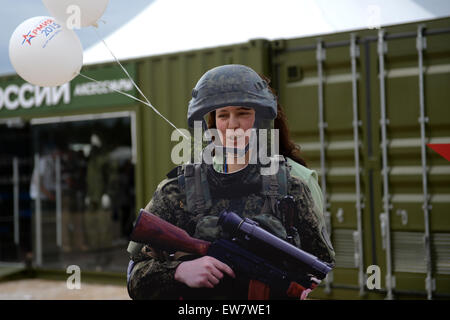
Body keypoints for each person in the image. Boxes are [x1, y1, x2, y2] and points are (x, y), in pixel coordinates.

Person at [127, 64, 335, 300]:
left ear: (260, 119)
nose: (232, 124)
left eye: (243, 112)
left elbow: (319, 268)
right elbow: (135, 276)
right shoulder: (179, 190)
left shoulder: (293, 185)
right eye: (223, 115)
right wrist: (179, 271)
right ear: (212, 123)